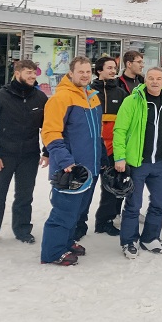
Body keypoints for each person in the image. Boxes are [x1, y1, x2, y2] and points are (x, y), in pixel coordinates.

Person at [40, 56, 106, 266]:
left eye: (88, 72)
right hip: (71, 169)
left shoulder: (93, 97)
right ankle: (52, 252)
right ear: (71, 73)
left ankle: (67, 242)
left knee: (77, 213)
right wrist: (65, 160)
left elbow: (97, 135)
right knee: (63, 213)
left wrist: (103, 159)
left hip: (90, 168)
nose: (85, 75)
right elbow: (50, 132)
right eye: (81, 72)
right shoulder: (61, 98)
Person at [0, 60, 48, 250]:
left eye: (34, 73)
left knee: (25, 196)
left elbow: (48, 127)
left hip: (29, 156)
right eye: (28, 72)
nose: (33, 76)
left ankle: (23, 229)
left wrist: (47, 151)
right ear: (17, 73)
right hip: (4, 156)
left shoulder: (40, 98)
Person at [113, 67, 162, 258]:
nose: (155, 82)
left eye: (158, 78)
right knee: (133, 204)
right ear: (145, 80)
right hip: (137, 162)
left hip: (159, 163)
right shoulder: (132, 101)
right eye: (151, 78)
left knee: (160, 202)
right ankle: (129, 241)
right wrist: (120, 157)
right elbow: (120, 130)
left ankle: (150, 238)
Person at [81, 56, 128, 238]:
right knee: (87, 189)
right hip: (92, 150)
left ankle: (105, 222)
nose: (112, 70)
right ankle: (79, 223)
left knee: (111, 189)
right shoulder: (88, 91)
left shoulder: (121, 93)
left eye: (114, 68)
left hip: (113, 151)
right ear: (99, 70)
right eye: (109, 67)